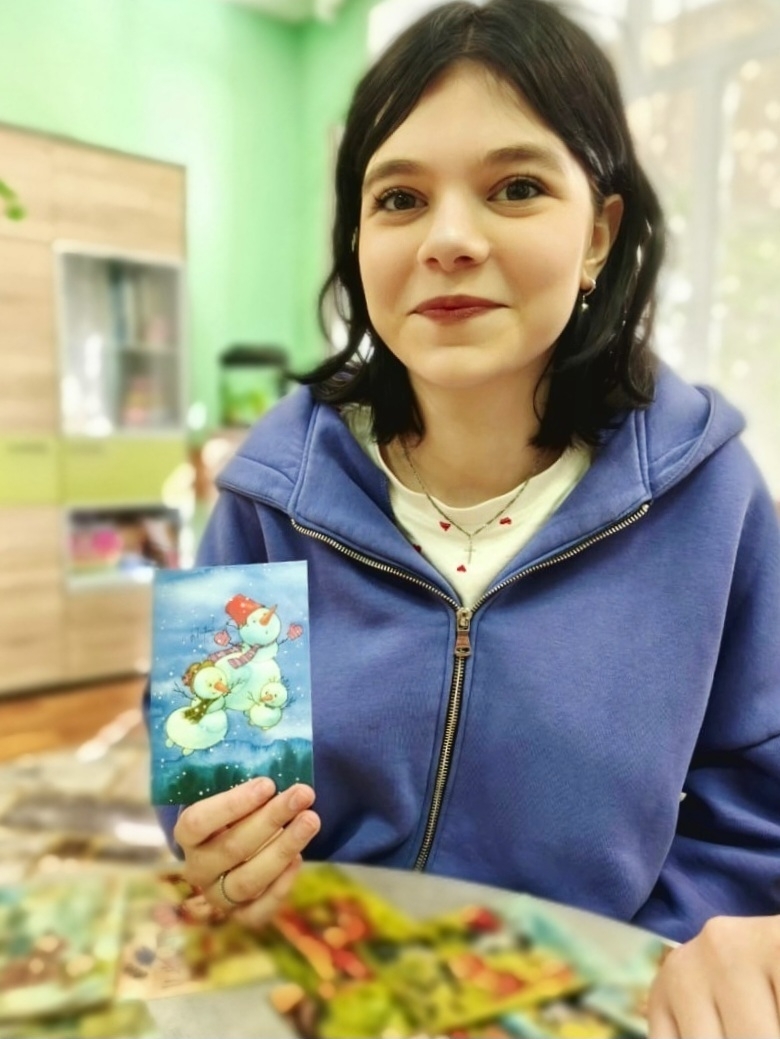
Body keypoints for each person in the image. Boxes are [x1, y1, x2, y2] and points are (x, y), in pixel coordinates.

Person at [150, 0, 780, 1033]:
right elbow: (205, 761)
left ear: (598, 233)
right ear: (358, 238)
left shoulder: (717, 497)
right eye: (399, 198)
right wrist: (215, 839)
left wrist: (648, 964)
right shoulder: (267, 489)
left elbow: (757, 808)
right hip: (316, 993)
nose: (448, 239)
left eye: (516, 187)